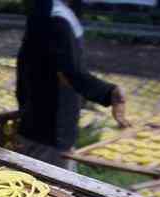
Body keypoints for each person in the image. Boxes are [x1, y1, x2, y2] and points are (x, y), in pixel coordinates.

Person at [16, 0, 131, 170]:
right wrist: (110, 93)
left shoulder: (49, 12)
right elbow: (71, 73)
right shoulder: (56, 19)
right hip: (51, 128)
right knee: (52, 186)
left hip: (40, 120)